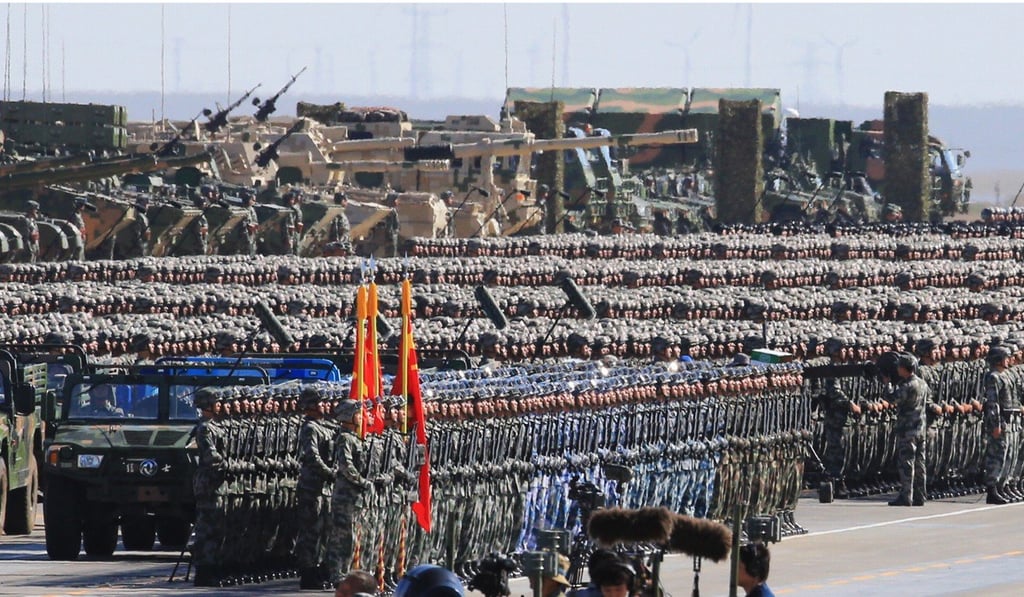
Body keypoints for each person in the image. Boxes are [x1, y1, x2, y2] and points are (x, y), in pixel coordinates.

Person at [296, 387, 339, 590]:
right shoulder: (310, 428)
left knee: (324, 531)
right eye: (320, 402)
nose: (325, 405)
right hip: (312, 487)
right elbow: (312, 456)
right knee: (311, 532)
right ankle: (308, 573)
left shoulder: (326, 426)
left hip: (325, 487)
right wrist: (330, 472)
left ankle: (320, 569)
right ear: (311, 406)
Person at [325, 399, 371, 586]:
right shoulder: (344, 438)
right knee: (341, 536)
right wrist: (362, 481)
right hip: (345, 495)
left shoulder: (355, 438)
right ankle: (338, 573)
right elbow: (346, 466)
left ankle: (347, 571)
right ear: (348, 416)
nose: (361, 417)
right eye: (357, 414)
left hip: (354, 495)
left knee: (351, 536)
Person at [192, 388, 229, 587]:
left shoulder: (215, 426)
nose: (220, 405)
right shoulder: (205, 428)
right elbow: (211, 456)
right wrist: (229, 463)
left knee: (216, 529)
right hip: (208, 484)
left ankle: (212, 567)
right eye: (216, 402)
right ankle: (204, 570)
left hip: (217, 483)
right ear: (207, 405)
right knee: (206, 529)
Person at [983, 346, 1021, 504]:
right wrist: (996, 424)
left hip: (1011, 420)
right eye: (1005, 357)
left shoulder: (1006, 375)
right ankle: (992, 489)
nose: (1008, 360)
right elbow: (993, 403)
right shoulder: (993, 377)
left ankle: (1002, 486)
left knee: (1008, 455)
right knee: (997, 456)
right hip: (1001, 421)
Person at [889, 353, 928, 507]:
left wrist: (887, 384)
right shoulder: (922, 383)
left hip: (908, 430)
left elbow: (892, 399)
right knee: (920, 463)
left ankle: (906, 496)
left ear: (904, 368)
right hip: (920, 428)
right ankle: (920, 495)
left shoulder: (908, 386)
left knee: (906, 463)